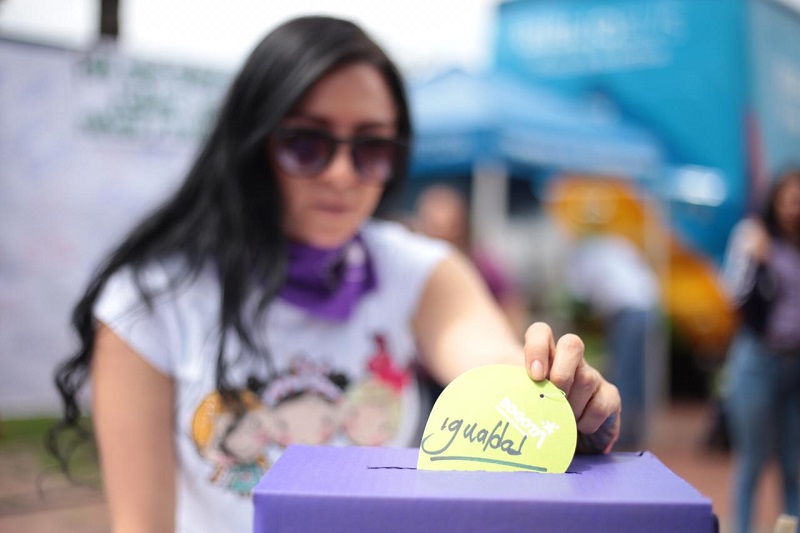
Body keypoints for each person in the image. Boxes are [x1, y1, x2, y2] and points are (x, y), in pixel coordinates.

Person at [48, 16, 621, 533]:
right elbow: (141, 525)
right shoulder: (150, 301)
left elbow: (494, 371)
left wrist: (558, 395)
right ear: (252, 145)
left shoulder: (418, 270)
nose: (343, 175)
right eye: (307, 143)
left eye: (372, 148)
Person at [720, 167, 800, 533]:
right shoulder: (754, 237)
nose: (794, 209)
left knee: (794, 461)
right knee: (752, 458)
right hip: (757, 360)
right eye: (790, 200)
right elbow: (732, 295)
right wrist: (756, 261)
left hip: (795, 362)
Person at [563, 230, 660, 450]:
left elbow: (580, 295)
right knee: (639, 375)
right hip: (649, 309)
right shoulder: (616, 245)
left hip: (629, 313)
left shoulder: (585, 257)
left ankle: (621, 436)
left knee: (624, 373)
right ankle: (635, 433)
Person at [413, 183, 528, 335]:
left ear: (461, 223)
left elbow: (511, 305)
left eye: (447, 225)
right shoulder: (414, 265)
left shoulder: (483, 264)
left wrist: (506, 337)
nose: (441, 231)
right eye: (433, 224)